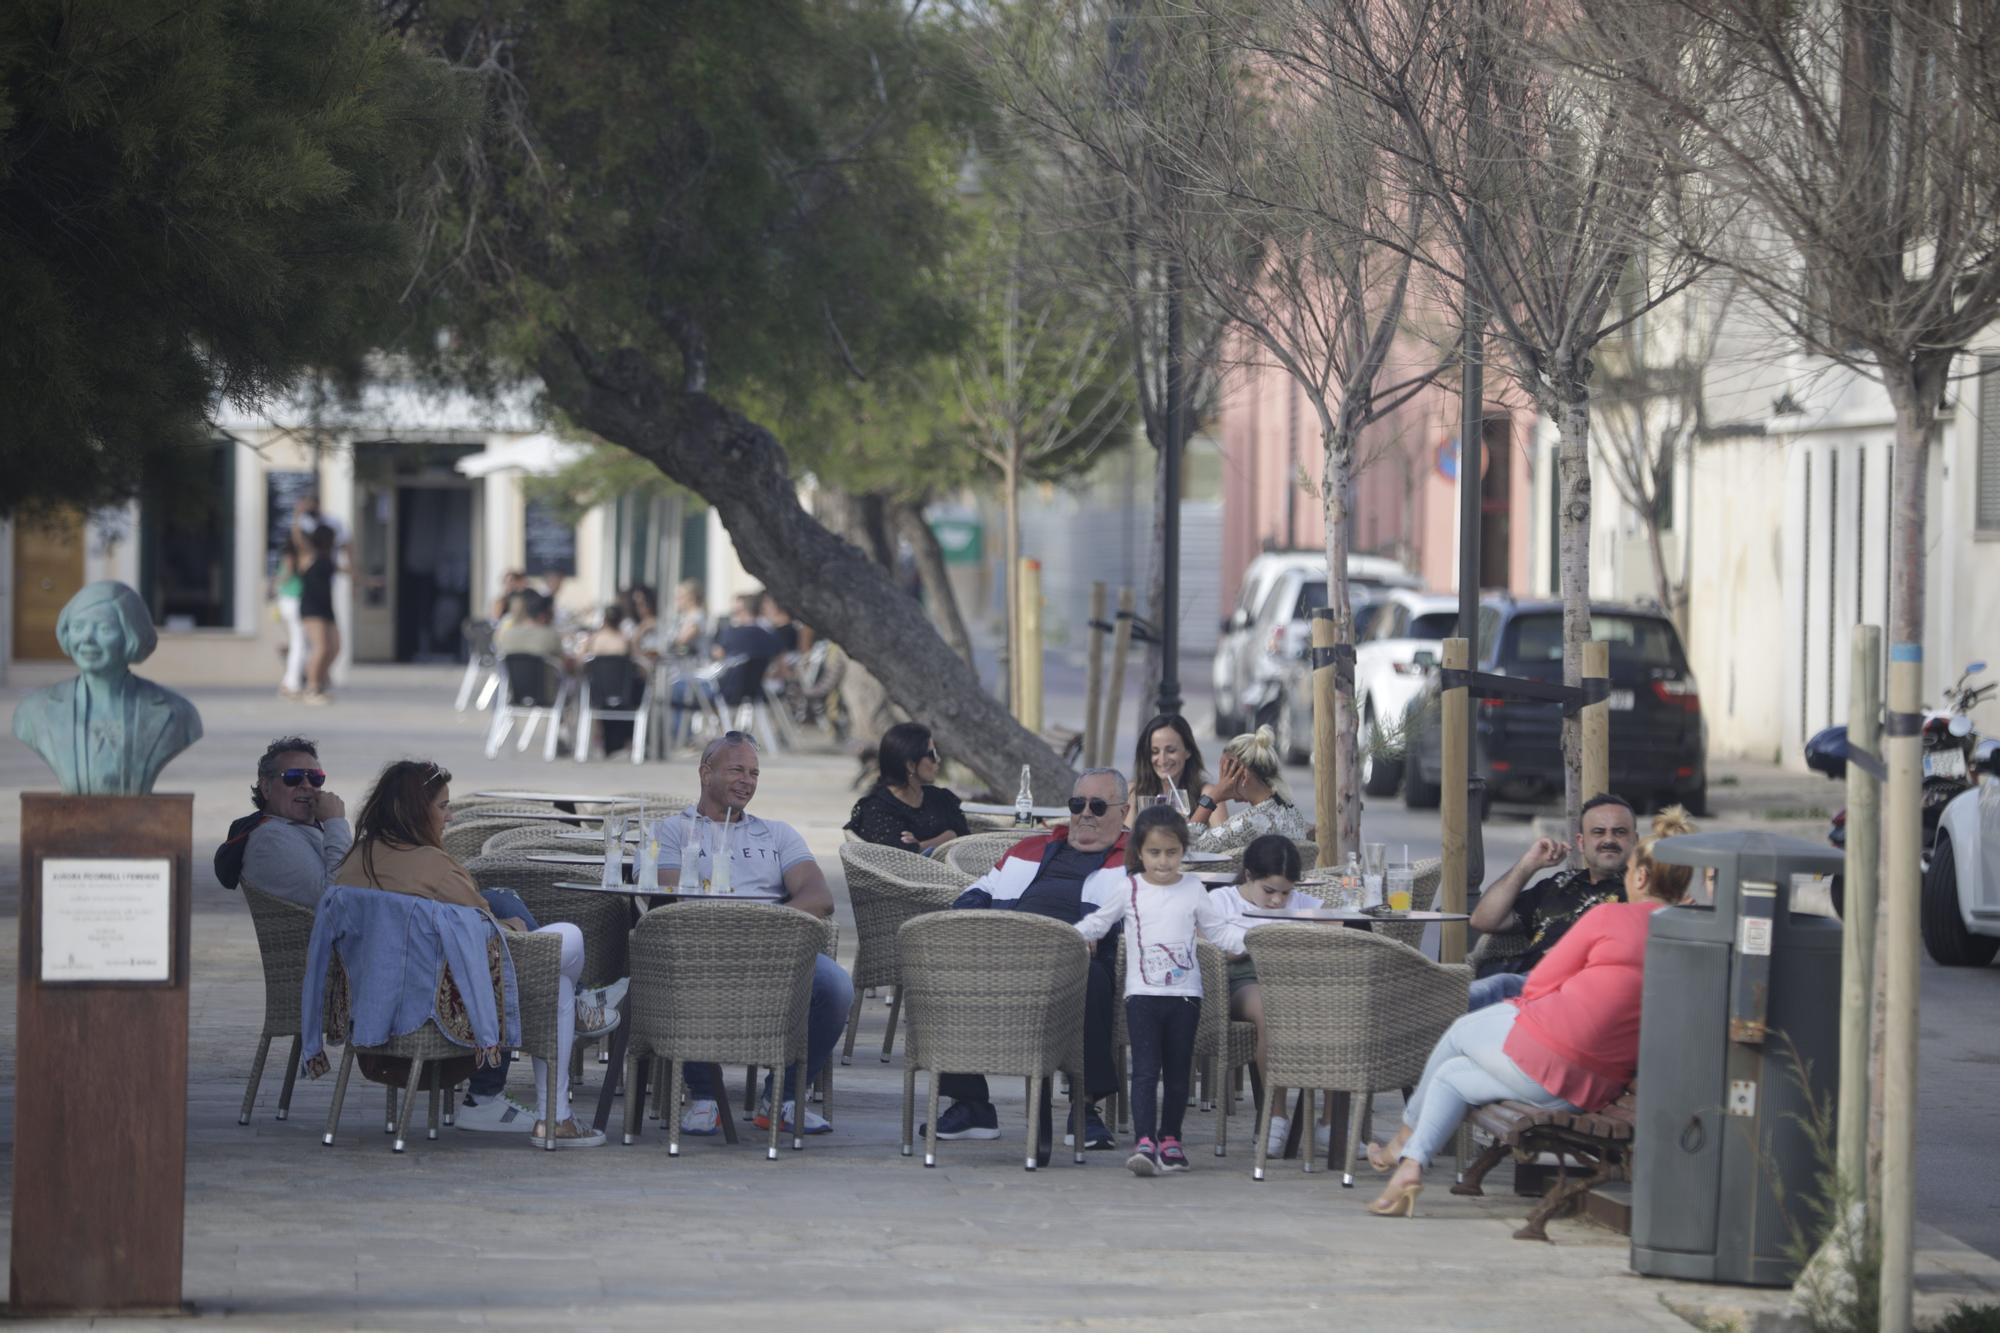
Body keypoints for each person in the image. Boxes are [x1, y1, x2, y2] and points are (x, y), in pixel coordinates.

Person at [1363, 806, 1698, 1217]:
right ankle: (1411, 1166)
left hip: (1549, 1051)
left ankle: (1402, 1140)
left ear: (1641, 877)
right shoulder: (1692, 938)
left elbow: (1540, 983)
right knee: (1453, 1076)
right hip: (1588, 1088)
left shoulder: (1610, 916)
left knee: (1459, 1032)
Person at [331, 759, 617, 1147]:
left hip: (373, 1002)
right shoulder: (436, 867)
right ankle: (556, 1112)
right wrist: (510, 928)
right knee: (565, 945)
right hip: (441, 1006)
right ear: (416, 810)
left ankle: (553, 1111)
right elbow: (480, 934)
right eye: (443, 807)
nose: (449, 818)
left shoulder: (354, 861)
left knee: (552, 970)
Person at [644, 734, 853, 1137]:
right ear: (706, 772)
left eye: (754, 772)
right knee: (679, 974)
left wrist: (767, 932)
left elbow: (819, 897)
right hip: (701, 950)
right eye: (737, 769)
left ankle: (783, 1099)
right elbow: (671, 896)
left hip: (777, 950)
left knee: (836, 986)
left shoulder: (776, 835)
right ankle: (705, 1097)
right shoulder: (671, 832)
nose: (747, 781)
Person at [924, 767, 1132, 1153]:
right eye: (1078, 804)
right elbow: (979, 890)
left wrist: (1102, 933)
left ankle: (1084, 1108)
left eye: (1098, 805)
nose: (1086, 813)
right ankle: (971, 1106)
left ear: (1124, 812)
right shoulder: (1030, 849)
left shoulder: (1134, 858)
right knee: (954, 974)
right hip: (1007, 952)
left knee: (1094, 978)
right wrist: (970, 924)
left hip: (1078, 956)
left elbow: (1150, 909)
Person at [1075, 805, 1253, 1175]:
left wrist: (1257, 940)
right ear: (1139, 852)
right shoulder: (1130, 888)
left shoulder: (1193, 889)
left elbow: (1220, 933)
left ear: (1182, 852)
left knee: (1177, 1071)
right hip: (1141, 997)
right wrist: (1071, 936)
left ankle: (1171, 1139)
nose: (1163, 861)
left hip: (1186, 998)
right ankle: (1145, 1141)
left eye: (1172, 853)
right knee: (1143, 1071)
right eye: (1154, 853)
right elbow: (1099, 923)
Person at [12, 581, 204, 796]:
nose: (87, 639)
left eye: (104, 628)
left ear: (132, 636)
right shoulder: (34, 712)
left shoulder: (177, 714)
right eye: (78, 627)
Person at [1207, 834, 1327, 1155]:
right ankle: (1275, 1115)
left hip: (1293, 984)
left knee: (1338, 1010)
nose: (1277, 901)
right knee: (1271, 1010)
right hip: (1239, 982)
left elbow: (1333, 932)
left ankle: (1332, 1122)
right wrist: (1262, 940)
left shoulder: (1302, 904)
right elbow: (1211, 943)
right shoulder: (1224, 901)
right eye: (1269, 891)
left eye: (1285, 893)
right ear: (1249, 876)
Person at [1465, 793, 1639, 1009]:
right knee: (1466, 994)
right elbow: (1483, 920)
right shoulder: (1559, 884)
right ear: (1581, 843)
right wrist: (1529, 864)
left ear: (1635, 841)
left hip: (1577, 994)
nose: (1609, 840)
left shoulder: (1641, 892)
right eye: (1598, 832)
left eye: (1620, 832)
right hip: (1527, 987)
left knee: (1484, 991)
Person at [225, 738, 353, 908]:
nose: (306, 785)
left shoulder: (299, 829)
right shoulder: (270, 839)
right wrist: (335, 822)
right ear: (266, 788)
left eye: (315, 778)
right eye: (293, 777)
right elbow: (336, 901)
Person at [844, 722, 970, 854]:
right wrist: (947, 837)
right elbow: (897, 858)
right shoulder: (876, 810)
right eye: (932, 754)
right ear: (910, 765)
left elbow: (966, 841)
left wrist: (922, 845)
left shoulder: (941, 798)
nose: (937, 760)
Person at [1187, 727, 1309, 853]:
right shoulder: (1290, 809)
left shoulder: (1249, 823)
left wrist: (1212, 797)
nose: (1220, 781)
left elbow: (1186, 846)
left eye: (1224, 772)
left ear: (1243, 776)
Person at [1129, 713, 1207, 818]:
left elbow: (1224, 833)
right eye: (1155, 752)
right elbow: (1127, 833)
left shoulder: (1206, 794)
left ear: (1188, 751)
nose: (1163, 760)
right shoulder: (1134, 792)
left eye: (1171, 750)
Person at [299, 524, 340, 705]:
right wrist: (297, 516)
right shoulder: (308, 554)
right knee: (321, 648)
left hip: (327, 607)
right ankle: (311, 688)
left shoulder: (329, 557)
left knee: (335, 647)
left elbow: (344, 570)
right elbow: (297, 538)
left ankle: (320, 681)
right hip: (311, 607)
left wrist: (367, 580)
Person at [494, 591, 573, 674]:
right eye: (552, 614)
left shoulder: (506, 635)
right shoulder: (550, 635)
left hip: (511, 686)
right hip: (544, 686)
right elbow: (567, 666)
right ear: (543, 616)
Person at [273, 522, 309, 700]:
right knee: (299, 643)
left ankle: (290, 681)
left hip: (286, 600)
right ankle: (292, 683)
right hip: (293, 600)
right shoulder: (294, 556)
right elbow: (287, 574)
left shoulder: (289, 555)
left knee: (297, 642)